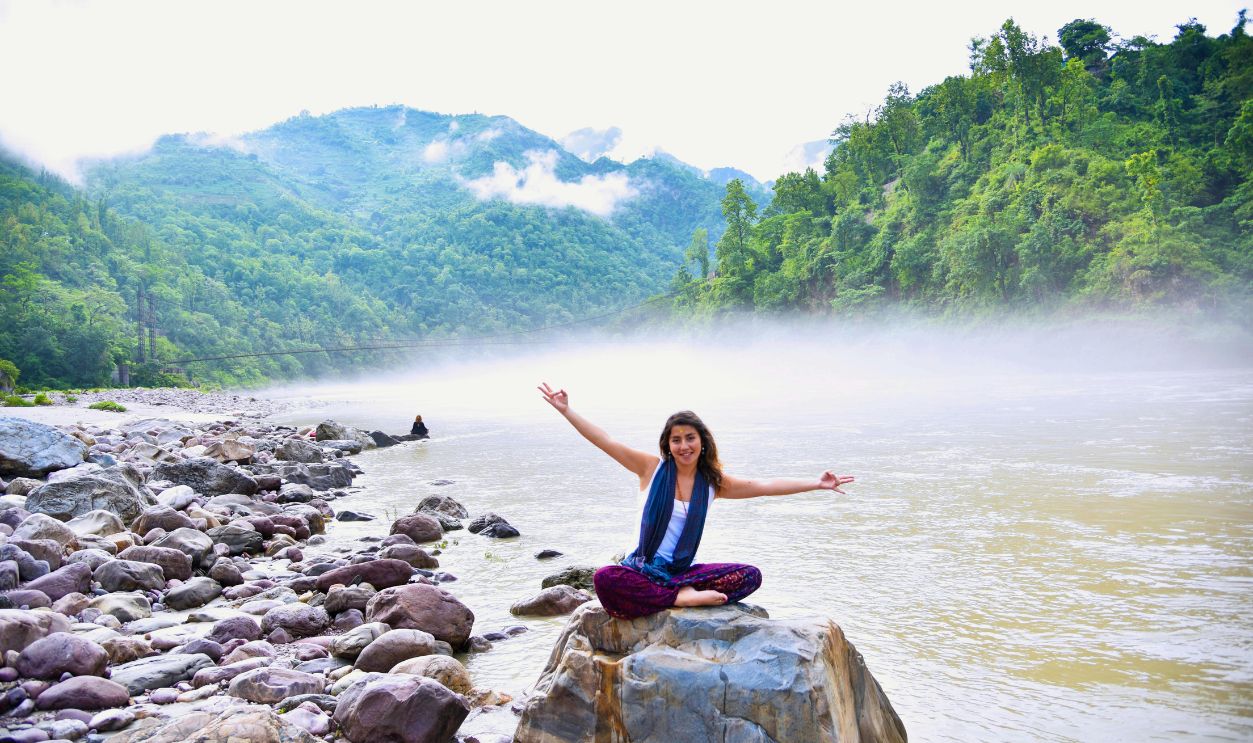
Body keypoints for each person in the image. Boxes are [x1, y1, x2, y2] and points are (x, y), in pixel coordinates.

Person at [538, 382, 854, 620]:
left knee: (750, 575)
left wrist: (817, 483)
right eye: (676, 440)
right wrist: (567, 410)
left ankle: (671, 593)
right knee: (604, 579)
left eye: (690, 438)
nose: (684, 445)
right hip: (639, 569)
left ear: (702, 442)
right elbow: (605, 440)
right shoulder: (651, 468)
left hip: (679, 572)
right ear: (668, 444)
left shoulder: (713, 483)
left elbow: (764, 485)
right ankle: (678, 599)